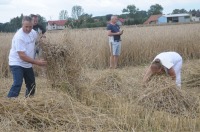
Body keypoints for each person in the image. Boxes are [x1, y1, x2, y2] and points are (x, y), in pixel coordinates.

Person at [7, 16, 47, 98]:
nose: (28, 29)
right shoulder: (19, 36)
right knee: (18, 82)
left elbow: (39, 40)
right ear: (22, 25)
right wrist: (37, 62)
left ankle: (29, 101)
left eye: (30, 26)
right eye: (26, 26)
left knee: (31, 84)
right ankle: (9, 102)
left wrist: (44, 41)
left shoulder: (33, 33)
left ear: (33, 25)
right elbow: (22, 56)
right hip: (17, 62)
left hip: (27, 63)